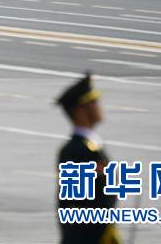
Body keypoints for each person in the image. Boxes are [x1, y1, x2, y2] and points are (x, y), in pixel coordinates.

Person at [55, 73, 120, 244]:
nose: (98, 106)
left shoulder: (92, 146)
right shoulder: (75, 151)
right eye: (93, 102)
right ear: (80, 110)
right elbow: (76, 206)